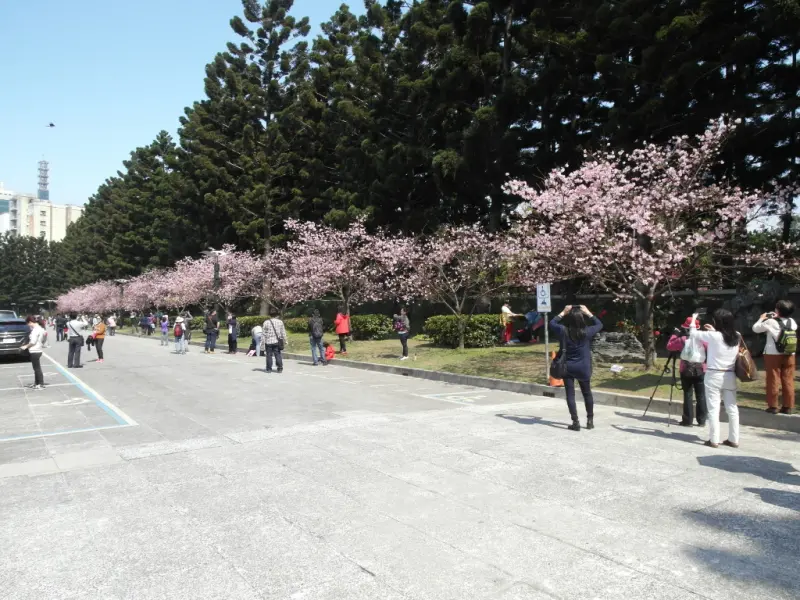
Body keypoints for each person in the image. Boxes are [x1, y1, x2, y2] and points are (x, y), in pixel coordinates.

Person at [689, 309, 741, 449]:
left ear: (717, 322)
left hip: (713, 375)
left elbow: (693, 333)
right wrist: (713, 331)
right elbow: (723, 337)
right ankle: (734, 439)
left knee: (713, 408)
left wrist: (694, 319)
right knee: (732, 408)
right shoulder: (737, 336)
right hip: (730, 375)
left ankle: (714, 439)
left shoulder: (714, 336)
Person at [549, 305, 604, 431]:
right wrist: (588, 312)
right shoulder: (587, 331)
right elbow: (599, 324)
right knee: (587, 393)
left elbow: (552, 323)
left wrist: (563, 312)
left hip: (568, 367)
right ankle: (590, 421)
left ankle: (575, 422)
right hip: (583, 367)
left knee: (570, 394)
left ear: (569, 319)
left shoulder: (563, 330)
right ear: (582, 318)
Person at [753, 300, 796, 415]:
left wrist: (762, 318)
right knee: (788, 379)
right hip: (789, 353)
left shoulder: (771, 322)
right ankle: (788, 406)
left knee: (773, 378)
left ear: (778, 310)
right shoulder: (792, 322)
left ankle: (773, 406)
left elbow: (756, 328)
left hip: (773, 354)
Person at [666, 317, 708, 427]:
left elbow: (669, 346)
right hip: (701, 369)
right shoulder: (704, 339)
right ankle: (702, 420)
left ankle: (687, 420)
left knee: (688, 394)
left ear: (685, 327)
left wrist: (675, 334)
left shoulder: (682, 339)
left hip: (686, 369)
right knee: (701, 395)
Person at [21, 316, 47, 389]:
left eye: (28, 324)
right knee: (36, 368)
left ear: (30, 322)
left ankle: (41, 384)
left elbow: (33, 342)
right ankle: (37, 383)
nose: (28, 326)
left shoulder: (35, 330)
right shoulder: (41, 328)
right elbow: (44, 338)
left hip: (34, 350)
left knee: (37, 368)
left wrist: (25, 346)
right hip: (38, 349)